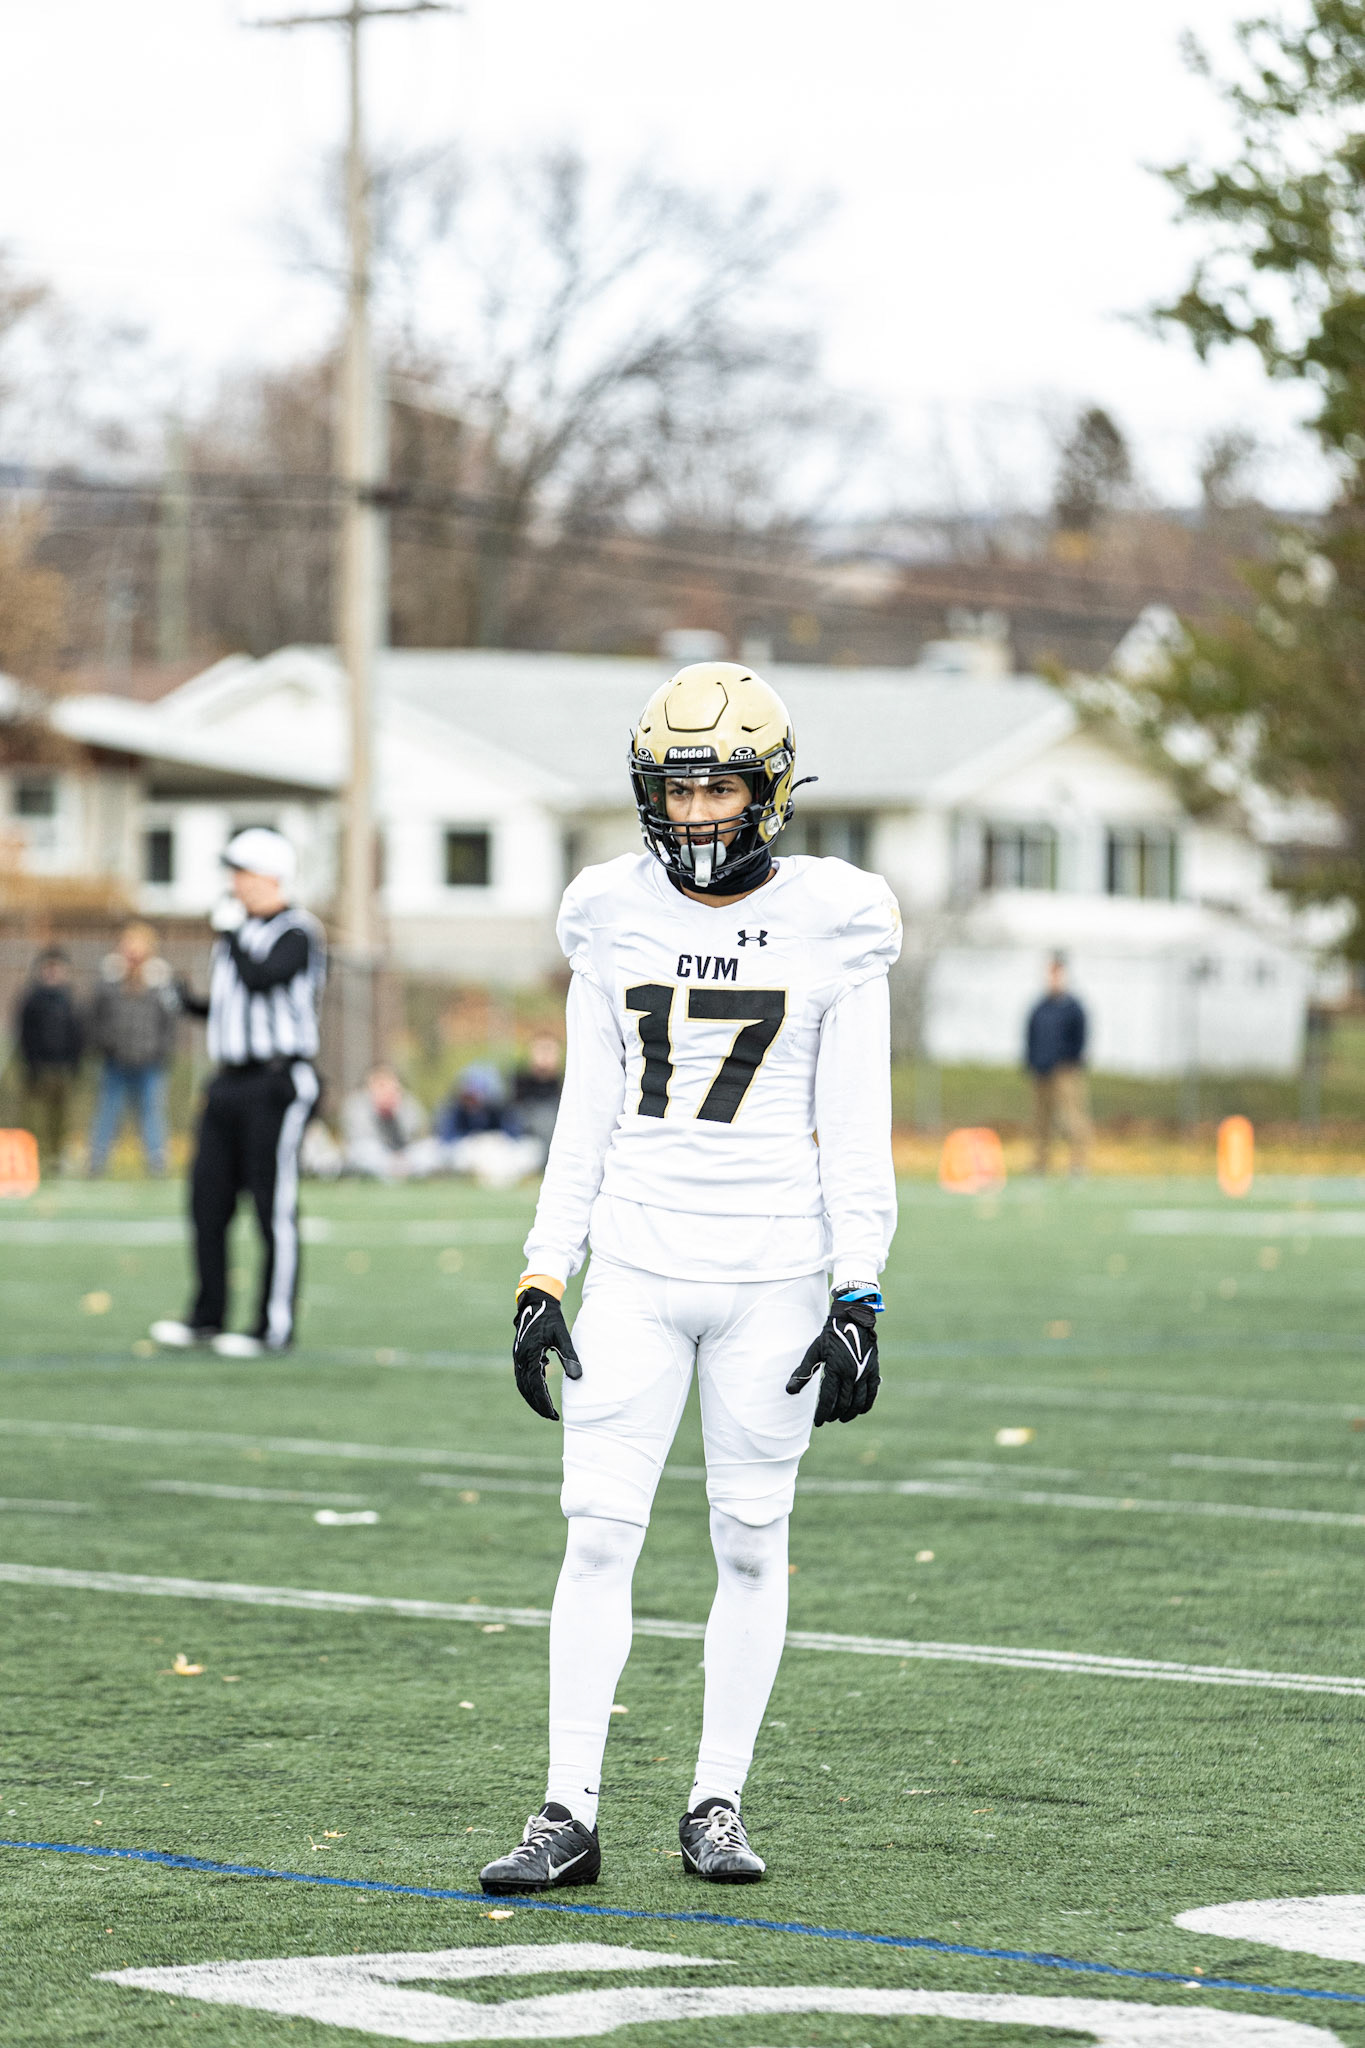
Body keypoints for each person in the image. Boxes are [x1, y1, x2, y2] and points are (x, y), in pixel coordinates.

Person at [479, 660, 900, 1896]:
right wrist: (544, 1268)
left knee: (752, 1544)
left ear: (770, 791)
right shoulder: (610, 910)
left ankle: (717, 1797)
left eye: (721, 786)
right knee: (595, 1537)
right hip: (638, 1268)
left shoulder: (837, 916)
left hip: (775, 1275)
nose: (698, 810)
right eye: (679, 787)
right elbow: (586, 1114)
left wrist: (859, 1289)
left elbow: (856, 1126)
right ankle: (567, 1808)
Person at [149, 827, 325, 1359]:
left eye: (243, 872)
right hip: (227, 1081)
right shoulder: (236, 933)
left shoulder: (297, 932)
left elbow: (263, 978)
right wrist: (181, 998)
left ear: (271, 876)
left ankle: (272, 1326)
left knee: (272, 1205)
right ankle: (208, 1316)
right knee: (207, 1201)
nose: (234, 883)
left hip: (275, 1081)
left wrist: (230, 934)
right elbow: (230, 1006)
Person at [86, 922, 178, 1176]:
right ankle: (97, 1160)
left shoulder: (161, 981)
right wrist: (105, 1045)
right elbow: (95, 1017)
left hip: (150, 1061)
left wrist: (161, 1050)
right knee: (108, 1111)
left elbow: (170, 1022)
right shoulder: (109, 980)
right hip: (115, 1060)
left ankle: (157, 1161)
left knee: (152, 1112)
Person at [14, 948, 83, 1172]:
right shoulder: (31, 1000)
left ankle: (57, 1156)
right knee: (36, 1116)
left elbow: (78, 1035)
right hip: (40, 1067)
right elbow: (24, 1035)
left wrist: (74, 1063)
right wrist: (31, 1064)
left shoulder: (70, 1000)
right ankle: (36, 1156)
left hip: (63, 1067)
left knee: (61, 1116)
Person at [1024, 952, 1092, 1175]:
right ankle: (1040, 1164)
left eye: (1057, 973)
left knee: (1072, 1119)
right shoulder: (1039, 1007)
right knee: (1041, 1121)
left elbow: (1080, 1039)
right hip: (1040, 1070)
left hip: (1065, 1071)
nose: (1053, 978)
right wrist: (1031, 1062)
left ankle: (1078, 1164)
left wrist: (1069, 1061)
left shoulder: (1073, 1007)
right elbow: (1030, 1036)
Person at [436, 1062, 541, 1188]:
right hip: (469, 1152)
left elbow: (513, 1136)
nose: (471, 1100)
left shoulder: (499, 1108)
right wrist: (474, 1140)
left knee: (531, 1150)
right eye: (468, 1096)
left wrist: (494, 1139)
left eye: (475, 1096)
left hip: (500, 1153)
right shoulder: (456, 1110)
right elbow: (447, 1139)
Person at [341, 1063, 444, 1180]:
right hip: (379, 1156)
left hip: (405, 1155)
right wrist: (378, 1113)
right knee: (363, 1150)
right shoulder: (356, 1105)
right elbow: (361, 1139)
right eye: (380, 1085)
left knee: (431, 1148)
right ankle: (394, 1174)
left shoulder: (407, 1102)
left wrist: (395, 1114)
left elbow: (419, 1135)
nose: (386, 1090)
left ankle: (401, 1174)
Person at [511, 1034, 564, 1156]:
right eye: (540, 1050)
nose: (544, 1057)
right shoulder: (519, 1084)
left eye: (549, 1050)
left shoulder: (566, 1085)